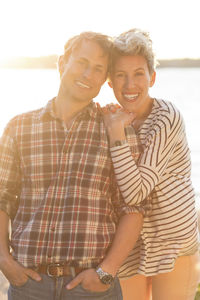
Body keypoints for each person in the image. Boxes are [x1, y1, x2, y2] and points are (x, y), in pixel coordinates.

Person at [0, 31, 144, 300]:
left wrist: (106, 272)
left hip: (91, 288)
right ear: (62, 63)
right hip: (29, 285)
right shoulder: (19, 127)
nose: (88, 74)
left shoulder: (117, 130)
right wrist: (5, 261)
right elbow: (3, 198)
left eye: (99, 69)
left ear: (105, 80)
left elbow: (133, 208)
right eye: (81, 62)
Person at [101, 28, 200, 300]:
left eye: (138, 74)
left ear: (152, 77)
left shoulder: (166, 117)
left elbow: (136, 191)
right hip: (130, 244)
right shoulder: (111, 119)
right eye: (120, 75)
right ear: (109, 81)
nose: (129, 85)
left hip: (173, 242)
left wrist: (117, 134)